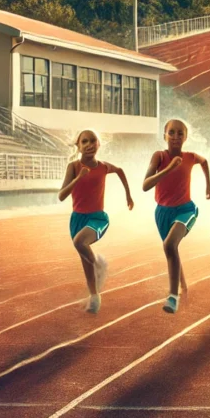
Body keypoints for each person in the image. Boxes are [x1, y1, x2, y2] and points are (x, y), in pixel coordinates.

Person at [59, 130, 133, 314]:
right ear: (78, 146)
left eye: (93, 141)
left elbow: (120, 171)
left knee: (80, 242)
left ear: (99, 144)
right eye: (85, 141)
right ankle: (94, 297)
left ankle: (99, 264)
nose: (89, 145)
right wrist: (78, 178)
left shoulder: (103, 167)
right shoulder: (73, 167)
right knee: (85, 261)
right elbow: (61, 195)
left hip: (98, 218)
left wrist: (128, 195)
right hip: (78, 219)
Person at [142, 119, 210, 313]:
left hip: (186, 210)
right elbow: (145, 185)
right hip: (162, 212)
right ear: (164, 135)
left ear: (186, 137)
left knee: (170, 245)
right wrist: (169, 169)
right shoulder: (159, 156)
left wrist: (208, 186)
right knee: (171, 250)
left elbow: (204, 162)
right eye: (171, 132)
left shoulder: (190, 157)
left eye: (180, 133)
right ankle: (183, 286)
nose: (175, 136)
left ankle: (172, 297)